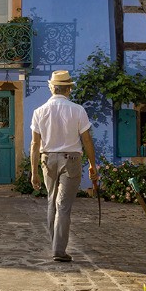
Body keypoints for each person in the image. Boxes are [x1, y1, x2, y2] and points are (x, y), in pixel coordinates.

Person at [29, 69, 99, 262]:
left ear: (52, 88)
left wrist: (33, 172)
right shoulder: (77, 110)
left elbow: (35, 144)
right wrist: (93, 165)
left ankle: (56, 245)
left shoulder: (39, 112)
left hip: (47, 159)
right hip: (72, 160)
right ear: (68, 89)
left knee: (52, 201)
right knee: (64, 206)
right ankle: (58, 250)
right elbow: (87, 140)